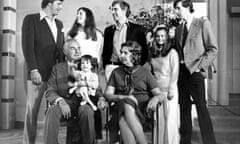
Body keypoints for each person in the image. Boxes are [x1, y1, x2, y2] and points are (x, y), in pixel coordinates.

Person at [44, 39, 105, 144]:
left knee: (86, 111)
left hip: (83, 102)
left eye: (79, 48)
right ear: (65, 51)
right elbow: (50, 90)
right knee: (52, 110)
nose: (77, 51)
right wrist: (60, 101)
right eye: (73, 48)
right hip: (64, 103)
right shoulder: (57, 68)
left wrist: (101, 98)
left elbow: (96, 88)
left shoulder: (87, 65)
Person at [173, 0, 218, 144]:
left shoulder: (202, 24)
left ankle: (209, 141)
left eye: (178, 8)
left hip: (195, 73)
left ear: (187, 7)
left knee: (201, 108)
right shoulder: (178, 28)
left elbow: (213, 49)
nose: (176, 11)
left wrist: (200, 67)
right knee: (184, 109)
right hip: (182, 74)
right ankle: (185, 141)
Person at [104, 41, 166, 144]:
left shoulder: (145, 73)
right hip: (120, 107)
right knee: (126, 103)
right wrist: (122, 97)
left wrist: (155, 98)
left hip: (141, 110)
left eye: (125, 53)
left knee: (123, 120)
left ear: (134, 55)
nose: (121, 55)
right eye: (121, 52)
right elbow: (108, 94)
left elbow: (161, 95)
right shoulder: (116, 72)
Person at [21, 0, 65, 143]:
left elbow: (60, 49)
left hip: (55, 77)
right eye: (58, 3)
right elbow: (27, 46)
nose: (61, 7)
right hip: (37, 74)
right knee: (32, 113)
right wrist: (33, 69)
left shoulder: (60, 24)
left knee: (54, 112)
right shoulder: (31, 19)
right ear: (49, 3)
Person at [144, 25, 180, 144]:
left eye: (162, 36)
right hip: (157, 91)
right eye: (158, 36)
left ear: (167, 37)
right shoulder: (153, 53)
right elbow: (149, 71)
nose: (160, 39)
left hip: (169, 90)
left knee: (169, 120)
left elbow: (175, 72)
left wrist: (172, 90)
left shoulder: (172, 52)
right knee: (157, 120)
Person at [102, 0, 148, 81]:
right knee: (111, 93)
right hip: (112, 68)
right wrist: (107, 66)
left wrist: (136, 66)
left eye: (115, 9)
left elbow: (144, 52)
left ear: (124, 10)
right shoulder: (108, 30)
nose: (112, 12)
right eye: (111, 9)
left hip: (130, 68)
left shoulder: (137, 29)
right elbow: (105, 52)